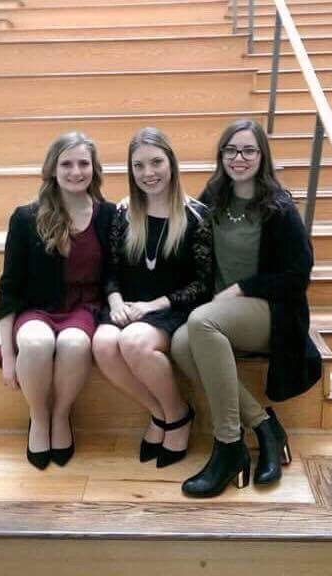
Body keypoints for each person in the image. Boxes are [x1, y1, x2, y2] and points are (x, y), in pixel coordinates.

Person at [171, 119, 322, 496]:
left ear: (262, 156)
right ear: (222, 155)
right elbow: (179, 223)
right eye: (231, 150)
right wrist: (134, 204)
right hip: (221, 314)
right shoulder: (213, 198)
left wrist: (240, 289)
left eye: (248, 150)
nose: (239, 158)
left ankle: (228, 446)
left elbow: (297, 275)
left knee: (201, 323)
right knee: (179, 343)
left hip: (271, 313)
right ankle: (264, 425)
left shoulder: (279, 206)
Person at [92, 127, 212, 468]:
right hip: (128, 306)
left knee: (133, 342)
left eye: (156, 162)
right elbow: (110, 269)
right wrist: (115, 301)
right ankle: (163, 414)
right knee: (102, 344)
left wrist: (154, 305)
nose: (148, 173)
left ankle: (177, 414)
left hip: (173, 308)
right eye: (139, 165)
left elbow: (204, 283)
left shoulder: (197, 216)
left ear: (171, 162)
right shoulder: (123, 212)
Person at [0, 132, 115, 470]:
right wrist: (8, 355)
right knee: (36, 343)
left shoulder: (108, 215)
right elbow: (8, 288)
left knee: (74, 344)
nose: (76, 171)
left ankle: (61, 415)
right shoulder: (25, 217)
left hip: (85, 307)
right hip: (37, 309)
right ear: (52, 169)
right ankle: (39, 416)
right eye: (66, 164)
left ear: (94, 169)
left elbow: (114, 274)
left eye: (83, 163)